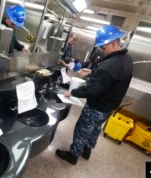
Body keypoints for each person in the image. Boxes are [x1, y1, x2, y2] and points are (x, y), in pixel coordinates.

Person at [56, 25, 133, 165]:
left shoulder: (110, 64)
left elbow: (92, 89)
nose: (101, 51)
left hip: (97, 106)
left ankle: (73, 155)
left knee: (82, 129)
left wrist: (72, 92)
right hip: (109, 107)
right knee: (96, 129)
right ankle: (87, 150)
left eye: (103, 47)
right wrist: (92, 72)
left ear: (114, 43)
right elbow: (113, 78)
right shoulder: (127, 59)